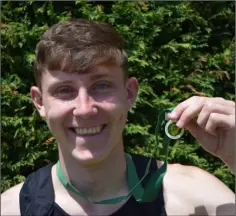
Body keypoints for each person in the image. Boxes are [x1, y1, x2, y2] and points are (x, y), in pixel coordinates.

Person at [1, 19, 235, 216]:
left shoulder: (194, 199)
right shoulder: (13, 209)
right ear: (40, 102)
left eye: (101, 85)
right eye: (64, 90)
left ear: (129, 93)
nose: (84, 109)